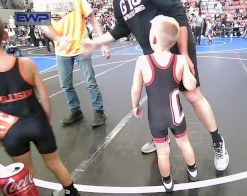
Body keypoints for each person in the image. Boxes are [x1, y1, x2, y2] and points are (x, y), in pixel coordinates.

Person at [83, 0, 229, 171]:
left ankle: (218, 141)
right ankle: (160, 137)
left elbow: (178, 10)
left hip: (174, 45)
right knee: (156, 97)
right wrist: (94, 43)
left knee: (192, 94)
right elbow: (121, 28)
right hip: (151, 52)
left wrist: (183, 53)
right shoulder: (117, 1)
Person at [0, 19, 79, 196]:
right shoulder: (26, 64)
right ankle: (71, 193)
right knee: (54, 162)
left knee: (26, 172)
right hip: (37, 121)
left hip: (10, 131)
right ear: (5, 36)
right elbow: (44, 97)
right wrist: (46, 121)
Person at [131, 16, 198, 192]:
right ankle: (193, 171)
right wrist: (188, 70)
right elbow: (190, 86)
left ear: (152, 39)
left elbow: (135, 89)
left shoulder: (143, 61)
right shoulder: (180, 60)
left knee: (162, 152)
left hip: (156, 117)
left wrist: (135, 105)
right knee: (184, 143)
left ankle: (167, 181)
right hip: (176, 115)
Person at [40, 0, 110, 127]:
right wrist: (60, 39)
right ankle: (75, 111)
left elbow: (93, 19)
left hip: (82, 47)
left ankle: (99, 112)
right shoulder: (44, 4)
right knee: (65, 85)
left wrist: (103, 42)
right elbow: (44, 26)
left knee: (90, 82)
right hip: (62, 51)